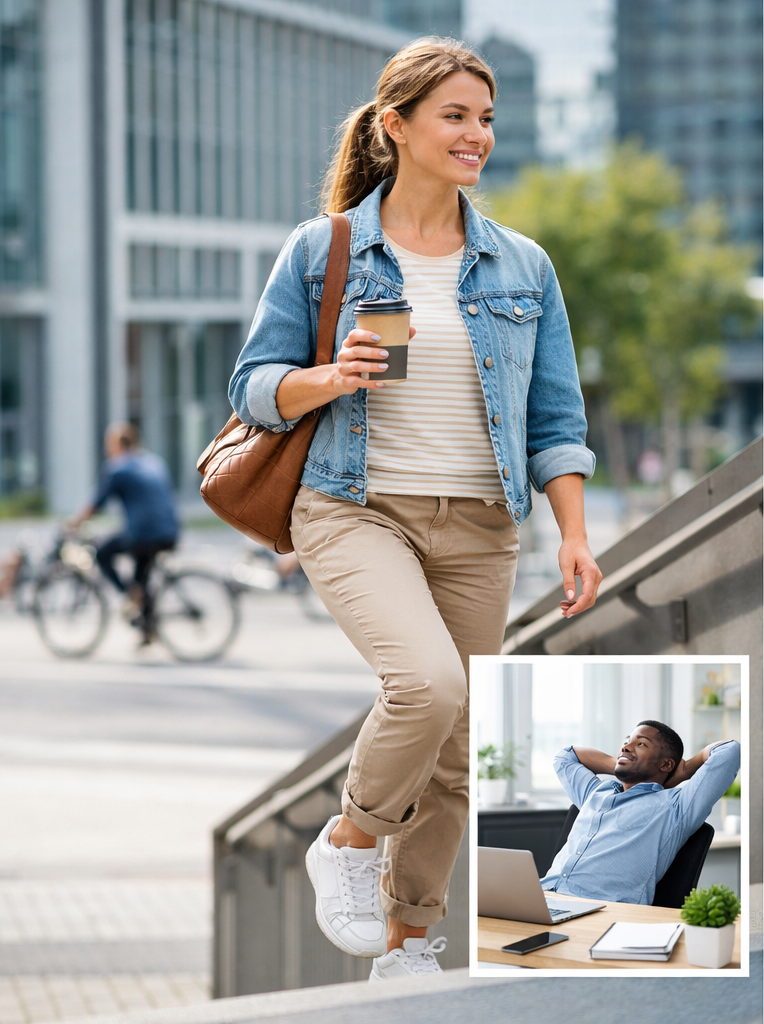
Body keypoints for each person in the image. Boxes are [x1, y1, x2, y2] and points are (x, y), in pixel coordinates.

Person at [229, 37, 603, 978]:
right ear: (395, 125)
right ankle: (350, 840)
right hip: (357, 506)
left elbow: (556, 415)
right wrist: (326, 378)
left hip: (481, 523)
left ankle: (407, 946)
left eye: (485, 118)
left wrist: (575, 534)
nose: (476, 134)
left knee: (459, 749)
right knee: (427, 685)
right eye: (455, 115)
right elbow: (252, 386)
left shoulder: (521, 265)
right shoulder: (328, 249)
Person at [540, 721, 741, 905]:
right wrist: (624, 762)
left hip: (601, 909)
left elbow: (729, 751)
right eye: (627, 742)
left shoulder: (675, 807)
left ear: (666, 764)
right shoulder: (595, 793)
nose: (625, 747)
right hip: (544, 896)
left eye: (641, 744)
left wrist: (685, 770)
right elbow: (565, 756)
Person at [71, 422, 179, 637]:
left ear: (117, 444)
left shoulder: (117, 467)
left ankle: (130, 595)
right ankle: (147, 629)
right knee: (142, 577)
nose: (107, 449)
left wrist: (75, 523)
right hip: (169, 530)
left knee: (102, 554)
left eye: (108, 444)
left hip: (143, 533)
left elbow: (97, 502)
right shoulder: (153, 461)